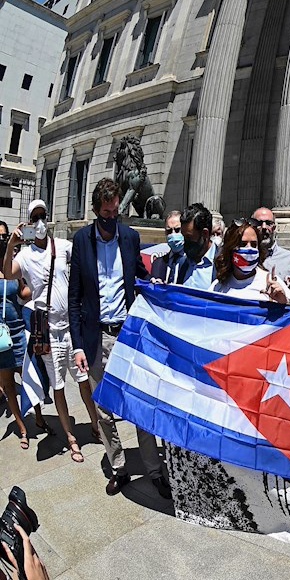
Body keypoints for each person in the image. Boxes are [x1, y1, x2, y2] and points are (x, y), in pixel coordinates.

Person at [69, 179, 169, 497]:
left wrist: (153, 280)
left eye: (116, 212)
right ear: (96, 212)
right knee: (103, 408)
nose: (112, 218)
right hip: (96, 336)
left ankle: (154, 470)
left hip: (127, 334)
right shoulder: (82, 241)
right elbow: (74, 299)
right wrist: (77, 345)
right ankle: (120, 467)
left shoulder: (129, 237)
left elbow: (140, 272)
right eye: (106, 213)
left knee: (139, 402)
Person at [5, 202, 88, 462]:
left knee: (84, 381)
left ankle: (97, 425)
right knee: (59, 386)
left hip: (71, 327)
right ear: (29, 223)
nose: (40, 222)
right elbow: (7, 273)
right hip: (48, 329)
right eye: (35, 218)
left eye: (43, 216)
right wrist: (10, 245)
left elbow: (84, 266)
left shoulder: (63, 246)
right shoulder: (25, 255)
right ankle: (71, 439)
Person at [0, 220, 34, 451]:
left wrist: (45, 285)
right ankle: (22, 427)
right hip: (0, 338)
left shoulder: (13, 266)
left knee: (30, 379)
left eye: (4, 236)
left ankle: (38, 416)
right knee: (8, 384)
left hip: (18, 330)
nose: (1, 240)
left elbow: (23, 291)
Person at [210, 220, 290, 302]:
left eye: (253, 245)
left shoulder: (272, 283)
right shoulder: (218, 286)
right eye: (243, 244)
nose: (249, 249)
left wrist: (283, 301)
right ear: (230, 248)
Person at [252, 207, 290, 281]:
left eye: (269, 223)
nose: (264, 227)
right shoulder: (246, 256)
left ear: (274, 227)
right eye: (259, 223)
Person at [150, 210, 184, 283]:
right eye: (169, 231)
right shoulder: (157, 263)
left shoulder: (192, 263)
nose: (173, 234)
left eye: (177, 230)